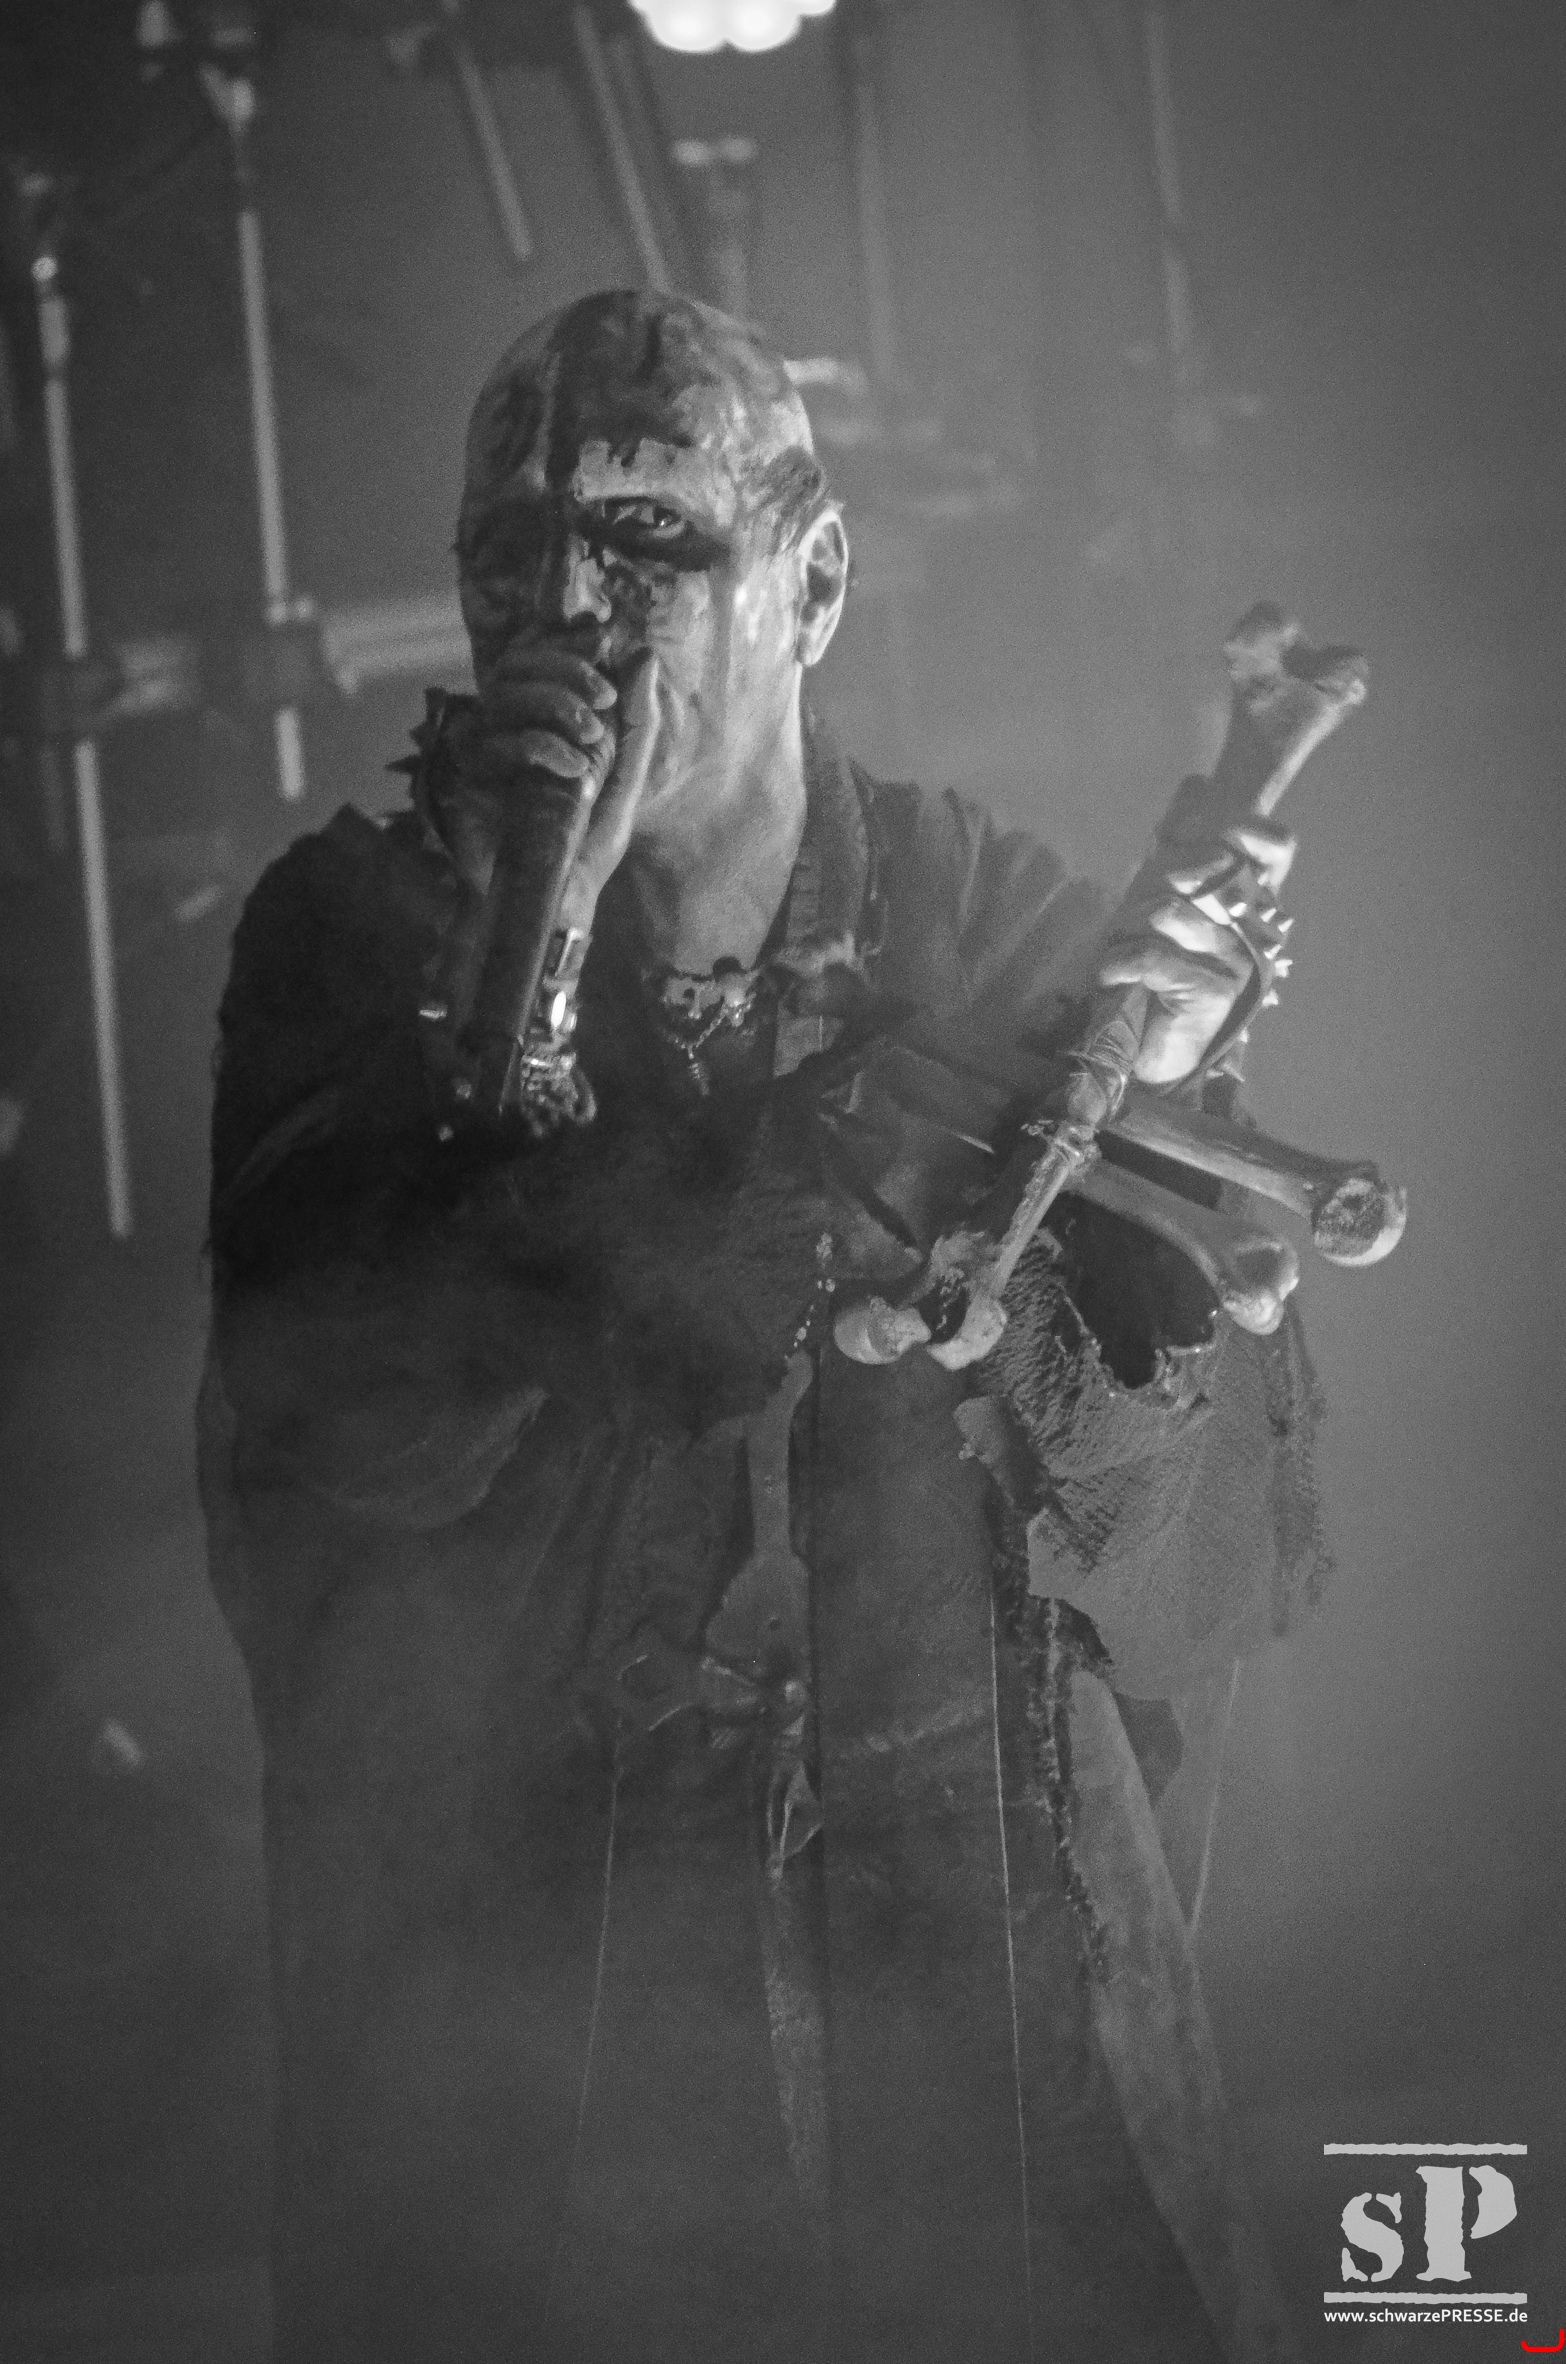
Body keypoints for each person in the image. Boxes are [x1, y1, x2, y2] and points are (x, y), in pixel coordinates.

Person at [200, 290, 1326, 2364]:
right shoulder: (350, 935)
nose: (565, 611)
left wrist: (1144, 1128)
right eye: (507, 556)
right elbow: (337, 1434)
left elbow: (1191, 1530)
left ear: (811, 583)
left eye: (644, 540)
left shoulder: (980, 913)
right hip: (546, 2003)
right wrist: (535, 959)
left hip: (984, 1975)